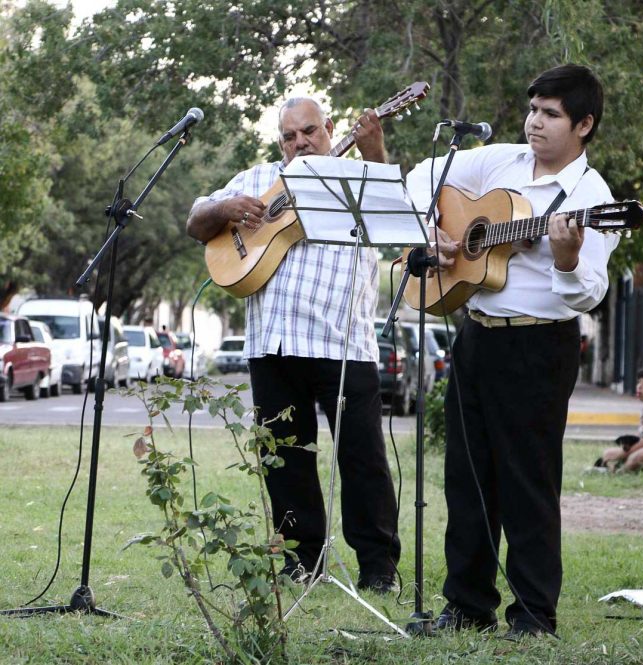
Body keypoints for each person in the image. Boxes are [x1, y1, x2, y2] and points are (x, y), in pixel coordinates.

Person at [406, 64, 619, 637]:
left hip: (538, 344)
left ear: (583, 125)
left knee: (527, 482)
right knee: (467, 478)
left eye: (551, 114)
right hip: (475, 331)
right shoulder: (501, 161)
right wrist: (437, 229)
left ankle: (532, 616)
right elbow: (422, 175)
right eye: (533, 110)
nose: (535, 123)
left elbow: (589, 293)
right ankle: (466, 605)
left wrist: (567, 257)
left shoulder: (590, 197)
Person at [186, 97, 400, 593]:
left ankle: (377, 568)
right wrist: (225, 208)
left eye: (309, 131)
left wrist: (377, 154)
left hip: (342, 343)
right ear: (279, 141)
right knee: (283, 461)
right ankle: (302, 564)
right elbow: (197, 221)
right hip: (272, 343)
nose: (300, 142)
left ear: (330, 128)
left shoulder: (360, 177)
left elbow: (394, 223)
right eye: (289, 136)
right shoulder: (256, 178)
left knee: (362, 459)